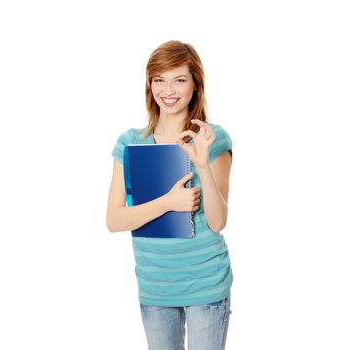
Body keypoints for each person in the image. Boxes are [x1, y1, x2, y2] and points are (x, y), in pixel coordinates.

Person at [106, 40, 234, 350]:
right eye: (159, 79)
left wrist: (202, 165)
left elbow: (218, 222)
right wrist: (170, 202)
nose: (169, 90)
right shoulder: (131, 144)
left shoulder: (212, 140)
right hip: (155, 286)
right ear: (149, 85)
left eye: (180, 79)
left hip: (205, 282)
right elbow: (114, 219)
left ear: (195, 86)